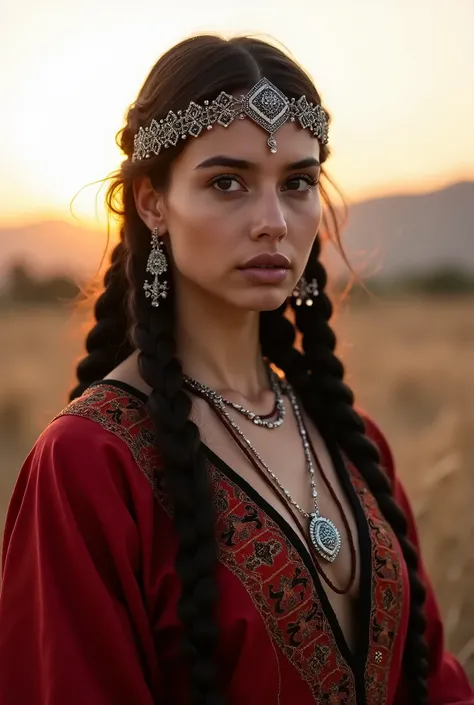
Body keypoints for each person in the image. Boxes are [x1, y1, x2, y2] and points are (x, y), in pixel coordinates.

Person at [0, 33, 472, 705]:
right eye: (228, 182)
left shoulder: (354, 445)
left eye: (298, 183)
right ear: (152, 202)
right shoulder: (87, 463)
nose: (275, 222)